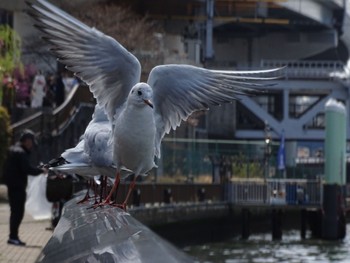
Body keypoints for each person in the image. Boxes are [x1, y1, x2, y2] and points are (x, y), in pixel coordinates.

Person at [3, 129, 47, 246]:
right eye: (31, 141)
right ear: (27, 141)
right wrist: (41, 170)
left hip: (12, 186)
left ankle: (13, 236)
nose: (32, 145)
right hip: (17, 187)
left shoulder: (14, 150)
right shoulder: (21, 153)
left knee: (15, 211)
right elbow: (27, 169)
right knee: (17, 212)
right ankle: (13, 237)